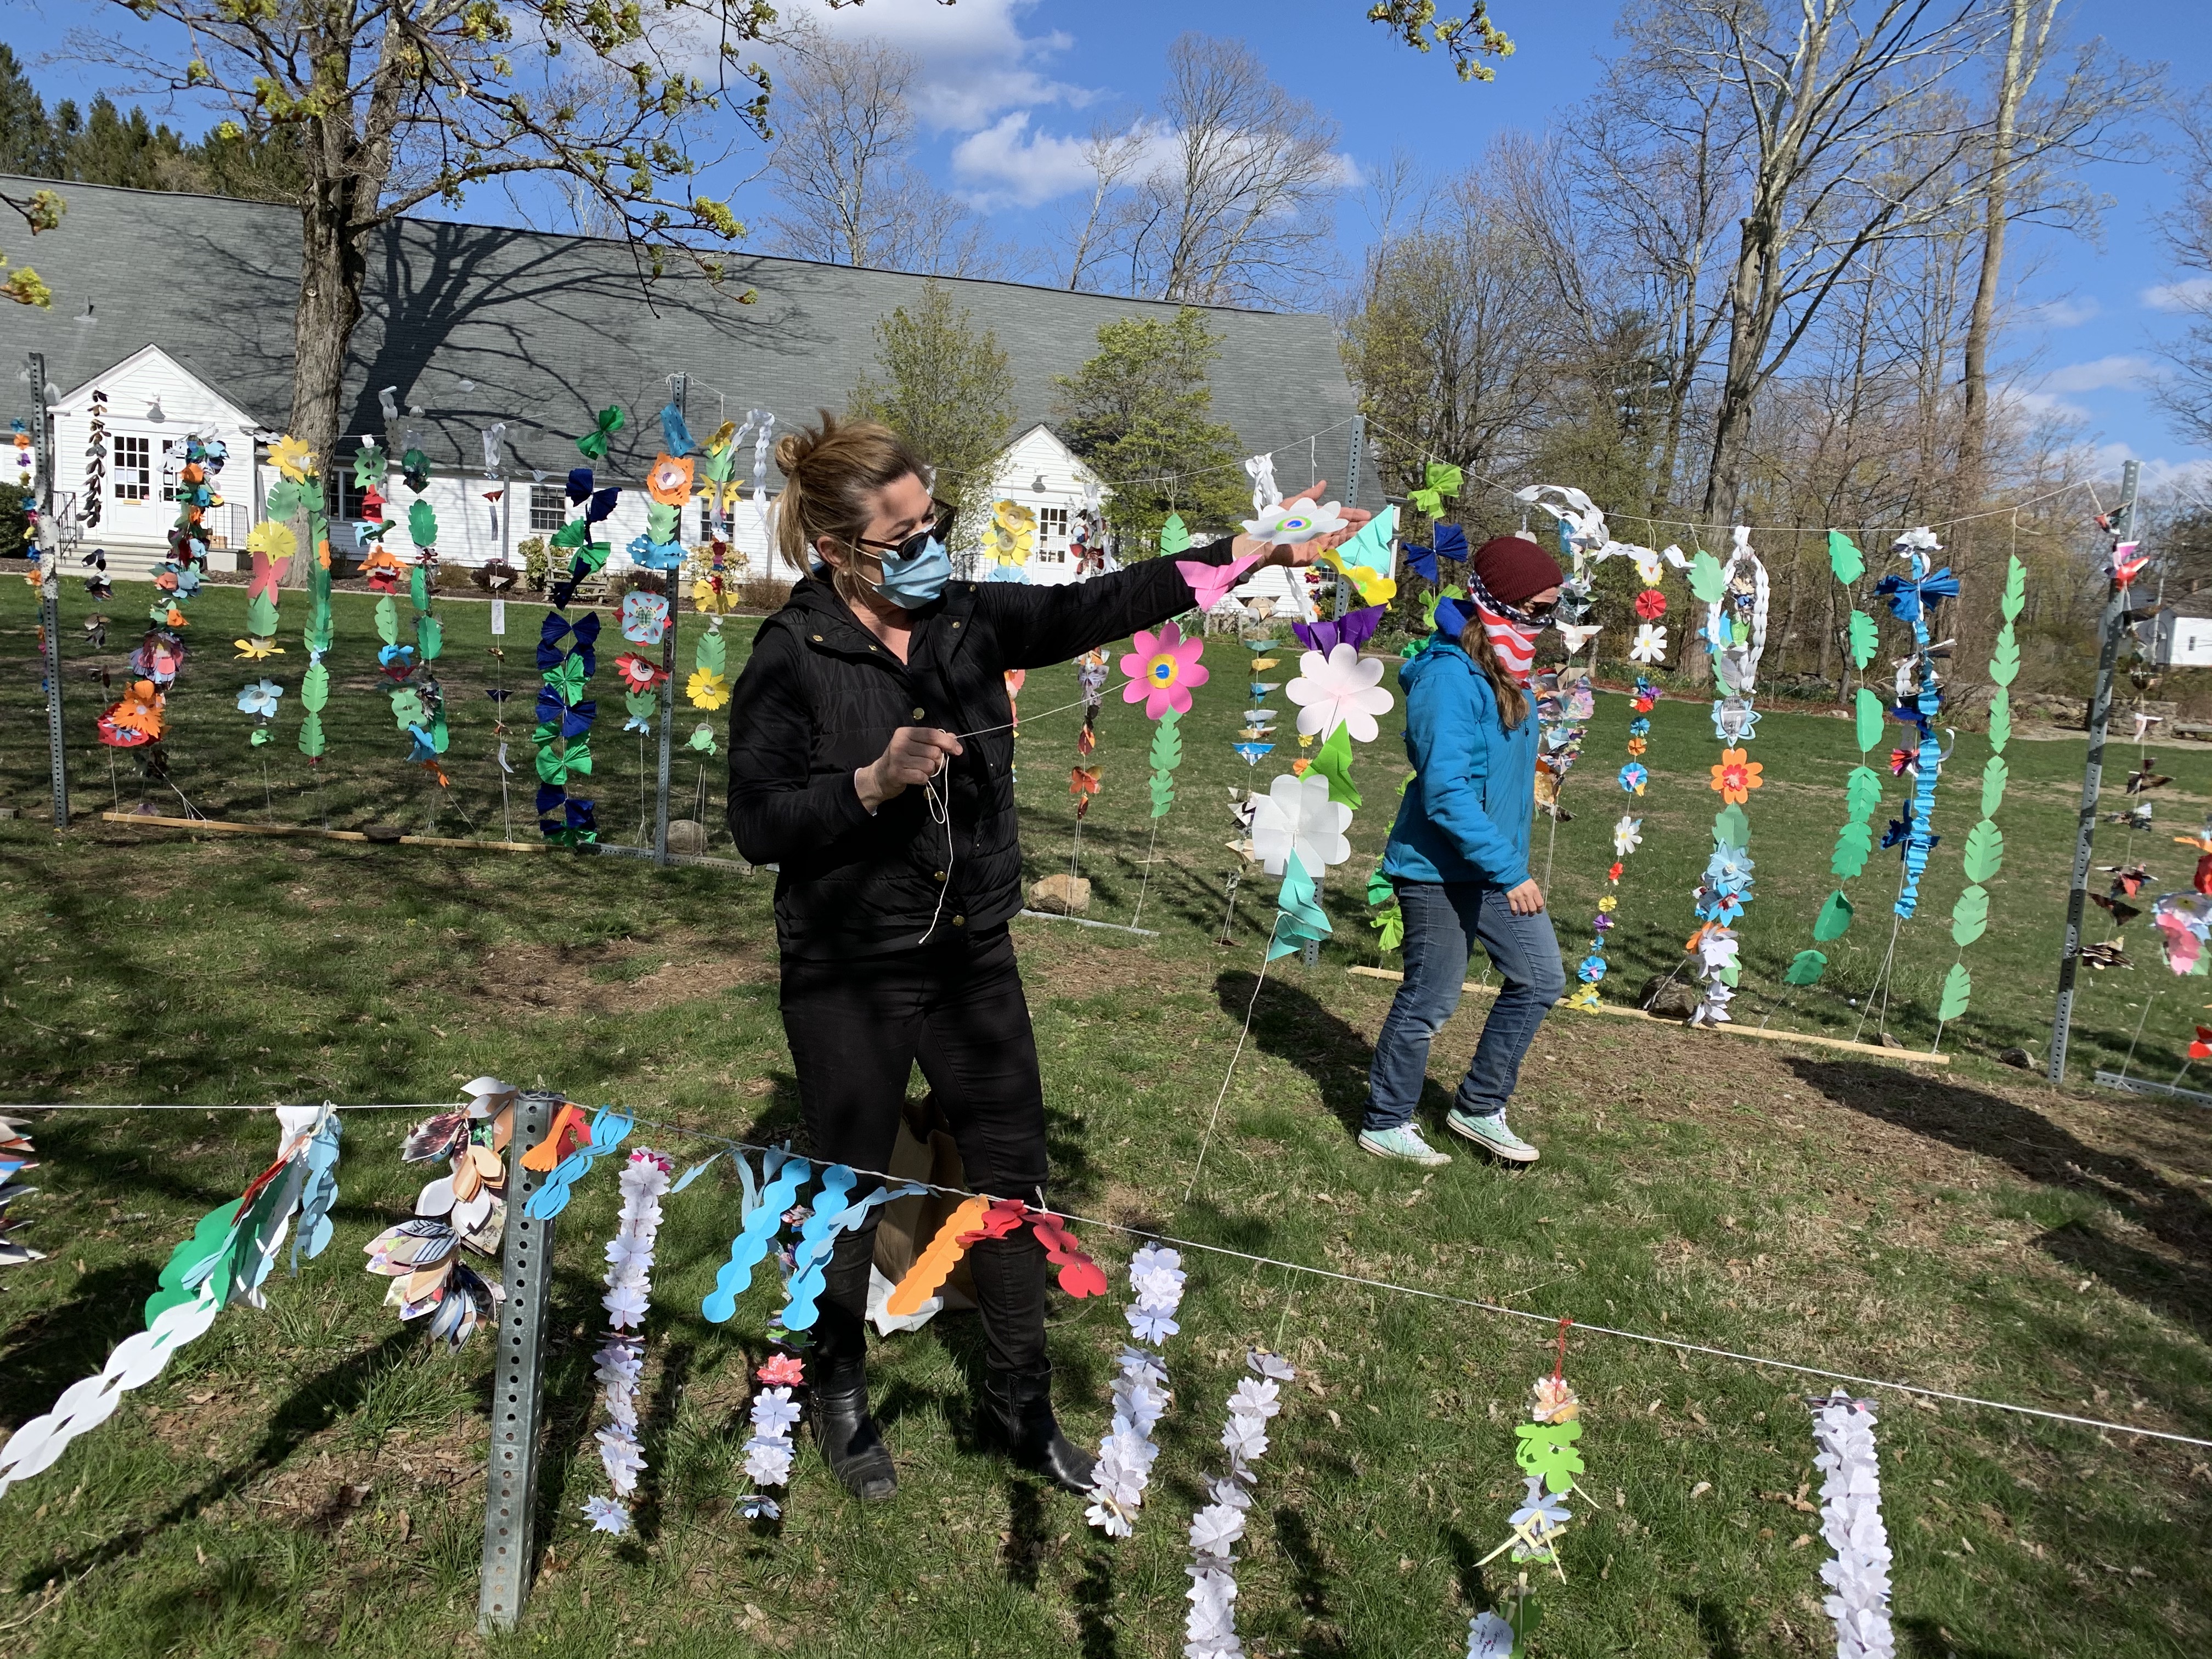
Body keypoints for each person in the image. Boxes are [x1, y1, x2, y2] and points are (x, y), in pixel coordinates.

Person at [726, 413, 1366, 1500]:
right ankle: (837, 1392)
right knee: (848, 1186)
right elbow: (756, 821)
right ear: (836, 550)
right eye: (901, 536)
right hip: (848, 966)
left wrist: (1251, 551)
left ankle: (1018, 1402)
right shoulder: (793, 655)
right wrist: (868, 785)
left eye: (934, 522)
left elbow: (1100, 603)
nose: (928, 547)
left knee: (1012, 1179)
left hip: (970, 954)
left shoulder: (967, 618)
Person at [1359, 532, 1566, 1169]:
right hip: (1439, 869)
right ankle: (1386, 1122)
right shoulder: (1449, 677)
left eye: (1552, 610)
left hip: (1494, 867)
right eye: (1538, 608)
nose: (1545, 622)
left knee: (1540, 979)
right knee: (1431, 999)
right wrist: (1509, 870)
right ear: (1499, 603)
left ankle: (1479, 1106)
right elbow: (1446, 792)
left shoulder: (1507, 670)